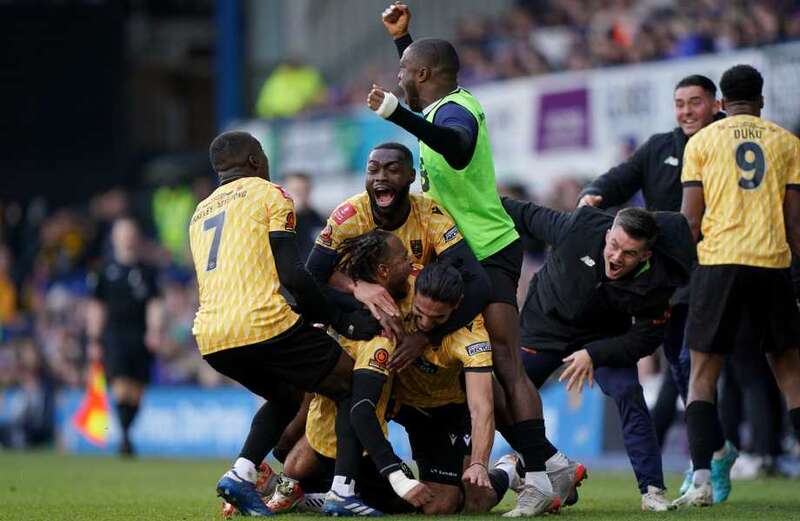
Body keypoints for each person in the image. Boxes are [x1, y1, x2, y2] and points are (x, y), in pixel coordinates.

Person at [369, 5, 560, 515]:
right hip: (459, 253)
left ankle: (540, 477)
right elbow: (423, 89)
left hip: (488, 249)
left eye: (404, 71)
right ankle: (548, 462)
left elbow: (455, 146)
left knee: (505, 362)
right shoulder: (437, 104)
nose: (399, 77)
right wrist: (403, 39)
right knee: (484, 366)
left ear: (425, 76)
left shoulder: (456, 110)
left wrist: (396, 113)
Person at [188, 130, 380, 516]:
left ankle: (241, 475)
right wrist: (342, 320)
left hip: (210, 337)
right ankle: (343, 493)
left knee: (285, 395)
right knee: (350, 383)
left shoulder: (201, 211)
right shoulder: (270, 193)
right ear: (256, 161)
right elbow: (293, 274)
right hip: (261, 322)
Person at [502, 198, 695, 512]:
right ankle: (555, 464)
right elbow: (520, 212)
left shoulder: (661, 279)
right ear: (608, 233)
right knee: (503, 395)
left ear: (646, 255)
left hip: (603, 336)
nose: (616, 257)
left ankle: (653, 492)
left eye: (629, 253)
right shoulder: (578, 226)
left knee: (630, 393)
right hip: (545, 325)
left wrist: (594, 353)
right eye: (614, 244)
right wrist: (463, 203)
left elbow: (646, 339)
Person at [675, 64, 800, 507]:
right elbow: (794, 222)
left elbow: (690, 219)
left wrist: (684, 276)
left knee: (703, 376)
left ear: (721, 104)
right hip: (771, 263)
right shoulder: (787, 142)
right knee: (791, 375)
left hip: (720, 264)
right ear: (761, 101)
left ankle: (703, 482)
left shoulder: (702, 141)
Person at [86, 217, 163, 457]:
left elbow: (154, 304)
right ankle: (125, 437)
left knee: (137, 388)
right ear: (114, 237)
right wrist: (94, 339)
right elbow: (97, 306)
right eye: (123, 233)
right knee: (120, 382)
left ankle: (126, 432)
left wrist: (154, 331)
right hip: (114, 334)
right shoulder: (104, 270)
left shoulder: (147, 270)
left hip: (139, 334)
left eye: (131, 233)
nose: (127, 237)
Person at [283, 172, 326, 261]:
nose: (301, 194)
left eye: (305, 190)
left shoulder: (320, 221)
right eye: (296, 190)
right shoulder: (278, 223)